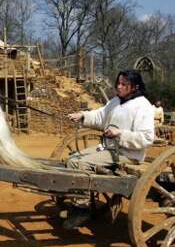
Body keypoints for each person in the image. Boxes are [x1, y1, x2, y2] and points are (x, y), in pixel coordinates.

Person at [63, 70, 155, 230]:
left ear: (135, 86)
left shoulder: (143, 106)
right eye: (118, 83)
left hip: (127, 154)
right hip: (108, 149)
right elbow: (100, 116)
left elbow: (146, 138)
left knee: (78, 164)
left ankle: (81, 209)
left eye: (123, 84)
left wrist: (120, 133)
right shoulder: (115, 101)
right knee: (72, 159)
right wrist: (83, 116)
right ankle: (79, 200)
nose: (119, 87)